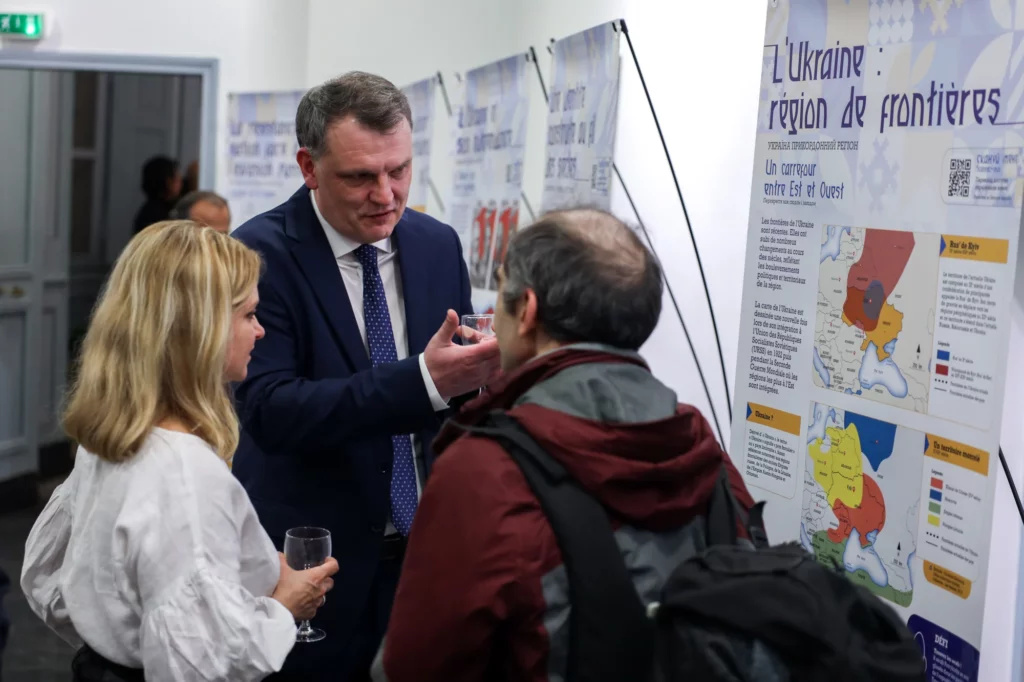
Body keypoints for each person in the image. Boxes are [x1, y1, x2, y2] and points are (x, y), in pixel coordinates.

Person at [371, 208, 757, 682]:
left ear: (527, 311)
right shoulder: (700, 447)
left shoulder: (484, 470)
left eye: (502, 287)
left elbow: (413, 666)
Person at [231, 71, 501, 681]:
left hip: (425, 557)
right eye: (360, 176)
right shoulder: (258, 254)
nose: (387, 194)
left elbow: (456, 403)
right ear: (309, 166)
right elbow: (272, 409)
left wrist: (484, 377)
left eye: (400, 170)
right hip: (309, 570)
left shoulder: (437, 244)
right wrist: (425, 382)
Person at [20, 221, 340, 681]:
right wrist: (283, 606)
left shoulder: (112, 437)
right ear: (201, 331)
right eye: (249, 315)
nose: (261, 331)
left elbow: (51, 581)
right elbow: (196, 665)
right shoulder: (184, 472)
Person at [132, 156, 183, 233]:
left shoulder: (150, 210)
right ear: (168, 181)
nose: (181, 181)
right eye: (177, 177)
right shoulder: (158, 216)